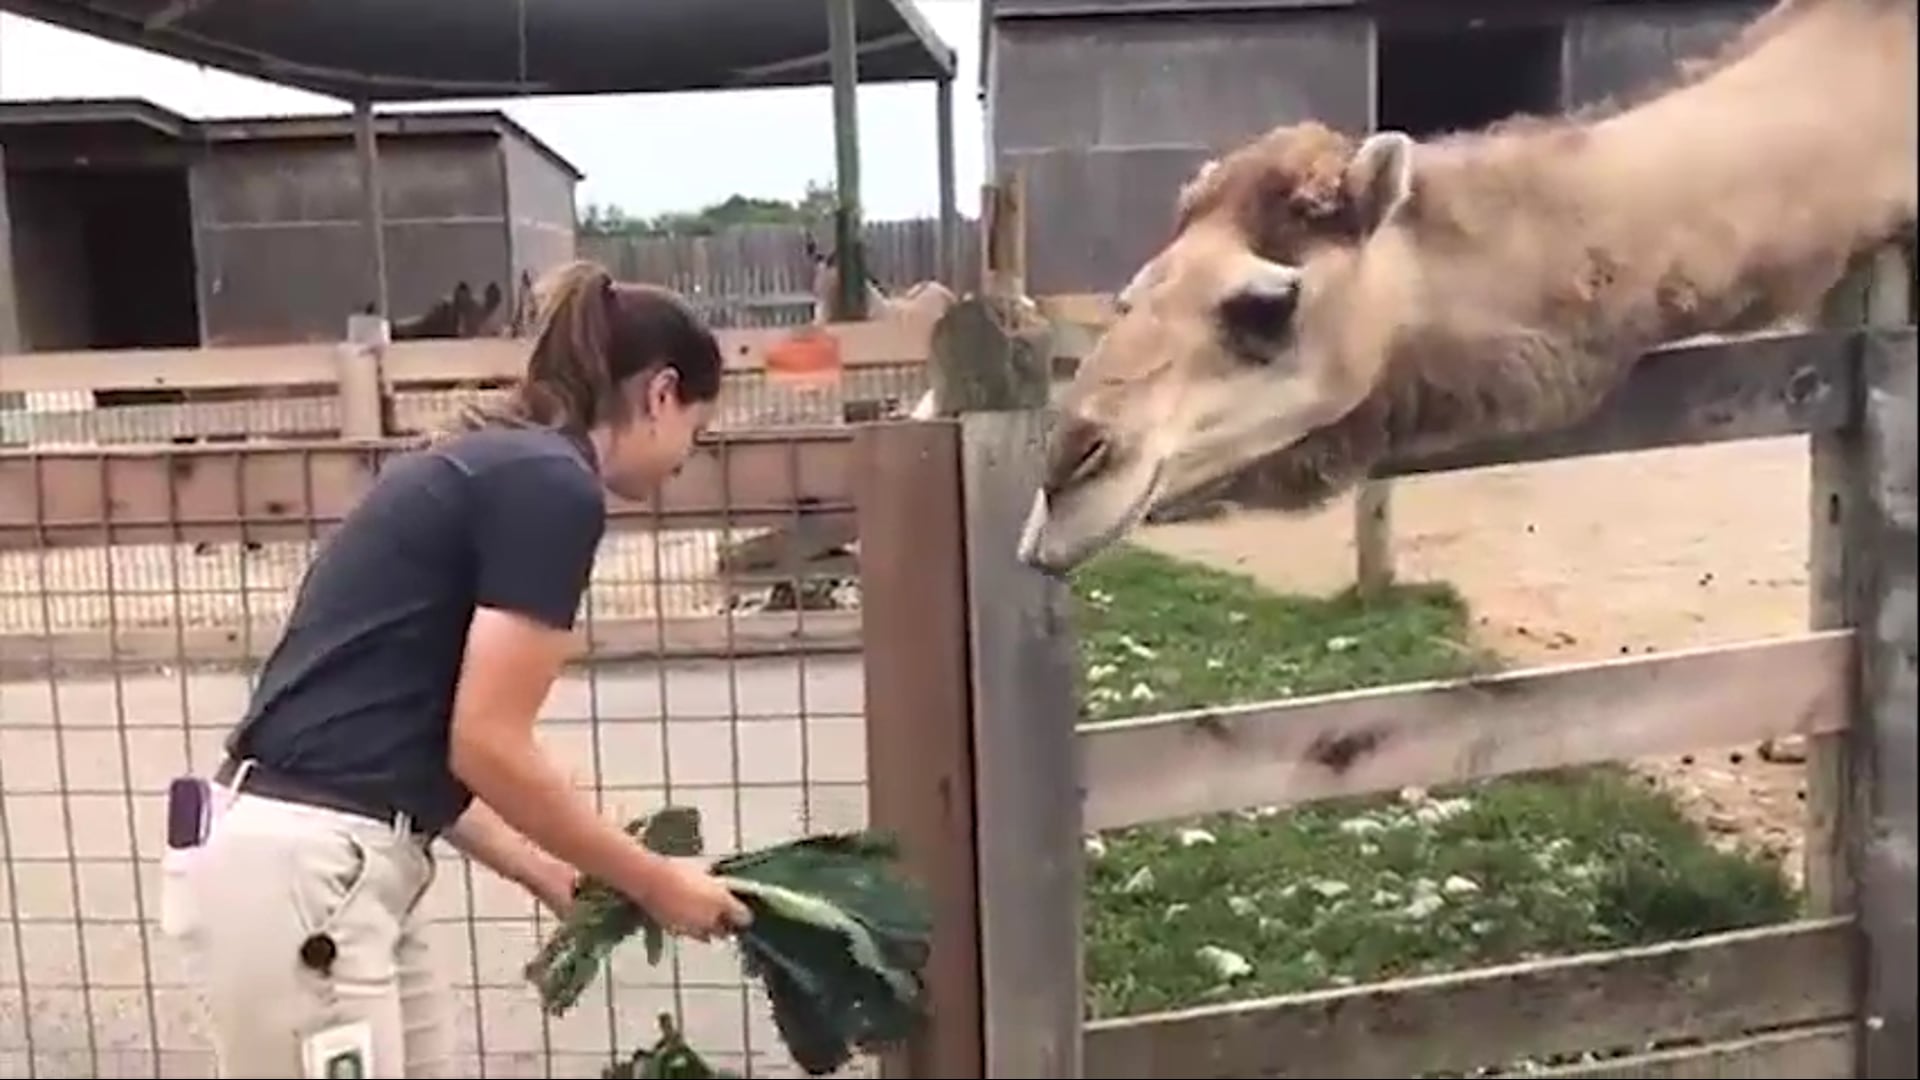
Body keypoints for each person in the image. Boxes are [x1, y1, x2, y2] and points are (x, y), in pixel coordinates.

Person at [161, 260, 755, 1079]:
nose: (690, 453)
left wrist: (547, 866)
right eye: (698, 425)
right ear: (661, 393)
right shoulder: (555, 489)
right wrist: (654, 881)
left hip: (337, 862)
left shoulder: (498, 465)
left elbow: (421, 738)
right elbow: (487, 746)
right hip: (312, 872)